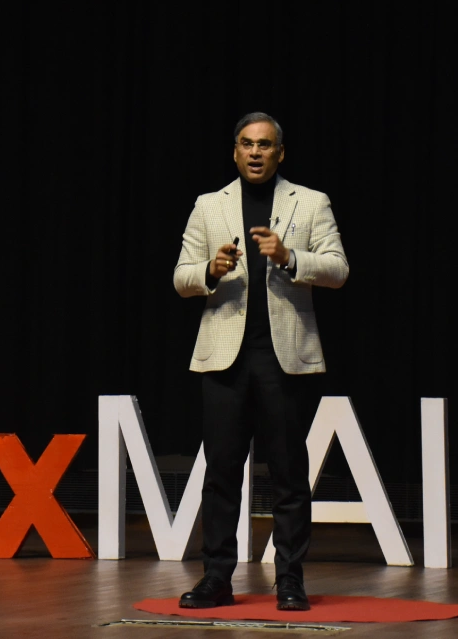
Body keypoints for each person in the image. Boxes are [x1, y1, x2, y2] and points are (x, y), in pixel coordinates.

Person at [173, 112, 348, 611]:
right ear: (235, 151)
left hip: (283, 359)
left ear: (279, 153)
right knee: (221, 474)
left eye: (265, 145)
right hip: (223, 360)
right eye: (247, 144)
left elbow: (337, 269)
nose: (255, 152)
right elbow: (181, 277)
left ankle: (289, 580)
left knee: (289, 474)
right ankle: (216, 579)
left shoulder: (310, 202)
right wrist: (210, 270)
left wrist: (290, 257)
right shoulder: (209, 205)